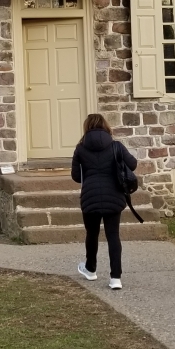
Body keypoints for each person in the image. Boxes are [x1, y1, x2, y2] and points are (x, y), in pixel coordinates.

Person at [71, 113, 136, 290]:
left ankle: (91, 269)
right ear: (106, 126)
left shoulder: (80, 148)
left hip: (89, 196)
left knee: (92, 234)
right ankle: (116, 278)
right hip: (113, 196)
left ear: (87, 127)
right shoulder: (116, 146)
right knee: (113, 235)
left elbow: (76, 176)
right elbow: (133, 164)